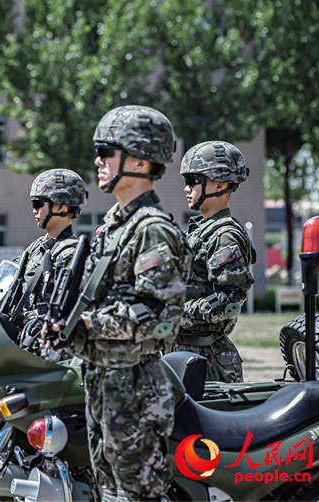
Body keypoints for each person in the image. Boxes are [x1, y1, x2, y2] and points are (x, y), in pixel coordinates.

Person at [58, 106, 189, 501]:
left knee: (138, 494)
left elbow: (159, 317)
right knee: (108, 493)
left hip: (134, 387)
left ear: (138, 159)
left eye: (106, 151)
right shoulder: (114, 227)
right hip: (102, 380)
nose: (98, 161)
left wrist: (87, 325)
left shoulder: (152, 230)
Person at [174, 141, 256, 382]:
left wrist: (174, 314)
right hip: (184, 353)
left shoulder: (224, 234)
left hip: (206, 360)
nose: (186, 188)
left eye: (193, 181)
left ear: (219, 184)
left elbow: (228, 301)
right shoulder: (200, 231)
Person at [11, 169, 87, 344]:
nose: (34, 210)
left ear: (61, 206)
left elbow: (68, 308)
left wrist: (27, 318)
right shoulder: (37, 247)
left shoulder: (70, 254)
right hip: (24, 340)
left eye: (38, 204)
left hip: (47, 345)